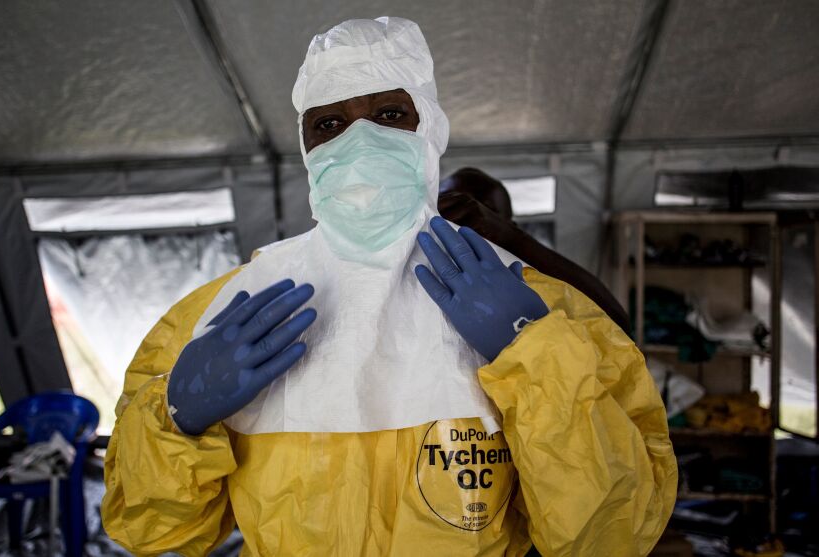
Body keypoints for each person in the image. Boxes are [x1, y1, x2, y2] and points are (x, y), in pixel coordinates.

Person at [102, 17, 676, 557]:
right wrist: (176, 418)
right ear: (307, 149)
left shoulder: (540, 307)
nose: (358, 142)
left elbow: (611, 537)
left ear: (430, 126)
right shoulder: (223, 315)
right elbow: (153, 529)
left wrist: (537, 355)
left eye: (388, 115)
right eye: (328, 125)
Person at [438, 167, 631, 332]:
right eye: (449, 203)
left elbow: (618, 328)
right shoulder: (426, 263)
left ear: (506, 223)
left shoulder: (525, 277)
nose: (460, 217)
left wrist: (510, 238)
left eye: (487, 210)